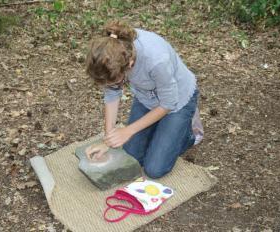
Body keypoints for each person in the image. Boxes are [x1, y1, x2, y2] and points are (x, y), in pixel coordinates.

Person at [85, 20, 200, 178]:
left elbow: (168, 103)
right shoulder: (111, 53)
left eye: (117, 81)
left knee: (154, 169)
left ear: (130, 63)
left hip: (177, 101)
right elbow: (112, 94)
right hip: (147, 98)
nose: (114, 85)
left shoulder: (157, 59)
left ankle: (187, 132)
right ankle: (161, 128)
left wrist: (128, 131)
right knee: (132, 158)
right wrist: (108, 140)